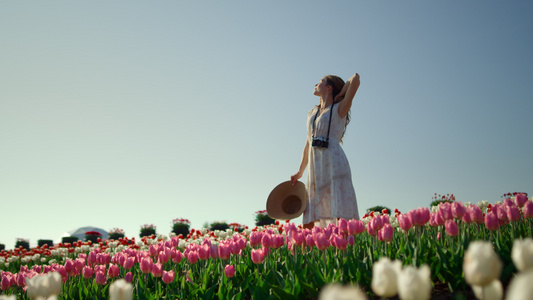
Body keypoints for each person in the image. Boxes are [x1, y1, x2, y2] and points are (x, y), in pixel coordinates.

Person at [290, 73, 360, 229]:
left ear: (329, 87)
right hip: (316, 166)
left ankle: (343, 247)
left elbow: (355, 79)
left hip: (334, 163)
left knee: (339, 210)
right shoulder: (312, 113)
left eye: (320, 82)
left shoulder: (339, 109)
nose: (315, 84)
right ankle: (310, 249)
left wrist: (340, 95)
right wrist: (300, 171)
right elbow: (308, 144)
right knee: (311, 213)